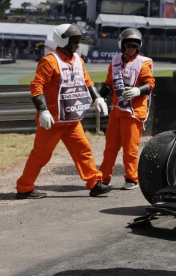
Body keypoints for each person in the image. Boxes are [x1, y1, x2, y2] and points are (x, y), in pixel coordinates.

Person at [15, 23, 112, 199]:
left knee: (84, 151)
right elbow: (37, 86)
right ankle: (24, 188)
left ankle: (95, 183)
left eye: (78, 41)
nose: (77, 45)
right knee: (40, 156)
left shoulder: (78, 60)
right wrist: (43, 110)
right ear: (64, 41)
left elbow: (87, 82)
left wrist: (97, 98)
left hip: (72, 119)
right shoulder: (50, 61)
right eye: (75, 41)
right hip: (52, 120)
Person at [98, 28, 155, 190]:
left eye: (134, 46)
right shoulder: (115, 61)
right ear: (122, 45)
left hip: (133, 114)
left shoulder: (143, 62)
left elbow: (150, 83)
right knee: (110, 148)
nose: (131, 48)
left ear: (138, 47)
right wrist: (100, 97)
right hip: (116, 111)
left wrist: (138, 90)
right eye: (128, 45)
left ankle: (132, 178)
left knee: (130, 149)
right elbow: (109, 83)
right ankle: (103, 178)